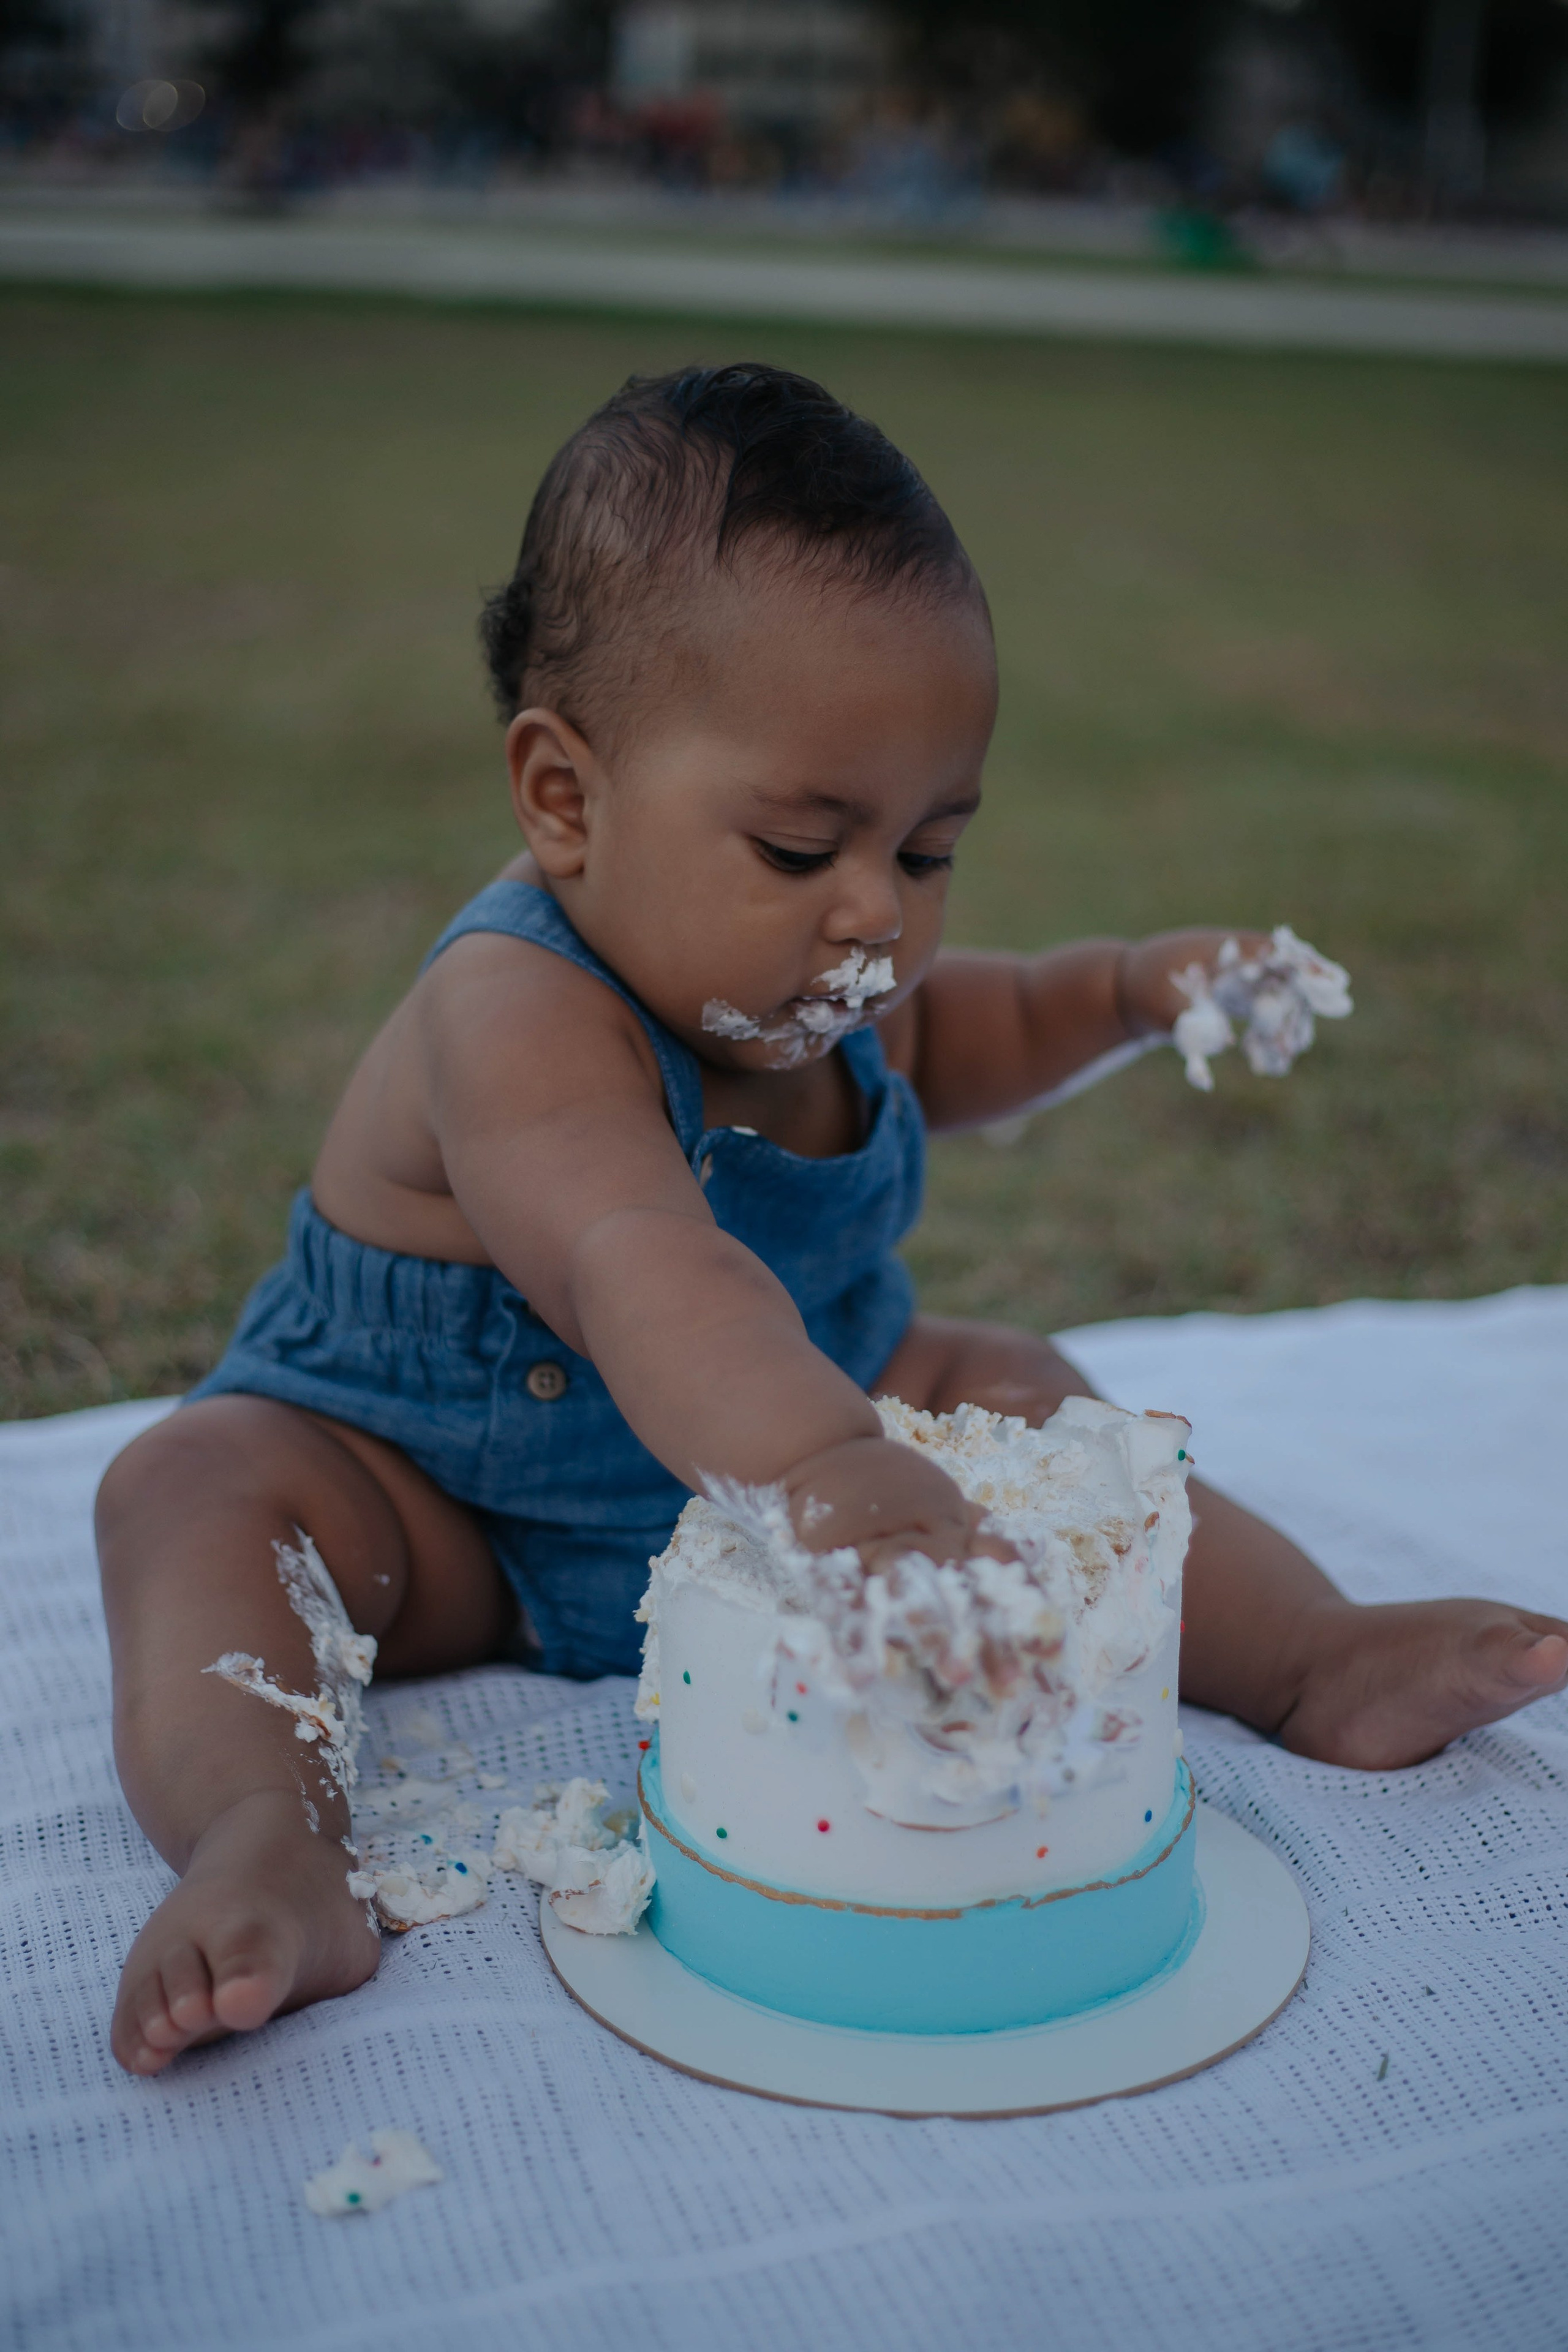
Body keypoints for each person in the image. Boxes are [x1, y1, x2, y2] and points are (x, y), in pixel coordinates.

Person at [95, 362, 1568, 2078]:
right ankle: (265, 1830)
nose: (874, 912)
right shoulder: (516, 1013)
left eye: (930, 852)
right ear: (564, 801)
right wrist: (831, 1467)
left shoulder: (830, 986)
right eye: (802, 847)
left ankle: (1308, 1653)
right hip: (434, 1509)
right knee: (192, 1484)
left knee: (1011, 1384)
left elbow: (983, 1028)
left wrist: (1129, 987)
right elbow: (628, 1253)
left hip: (775, 1513)